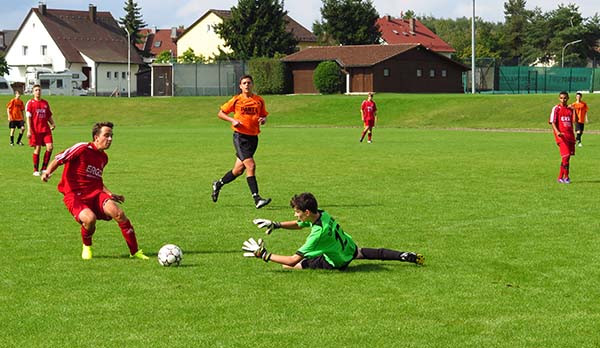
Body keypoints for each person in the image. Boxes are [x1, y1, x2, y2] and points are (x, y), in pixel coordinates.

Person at [41, 122, 149, 261]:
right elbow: (60, 158)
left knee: (119, 214)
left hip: (95, 193)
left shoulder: (104, 158)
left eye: (111, 136)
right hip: (74, 195)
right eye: (106, 135)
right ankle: (87, 246)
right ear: (96, 137)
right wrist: (47, 172)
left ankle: (135, 252)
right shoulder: (82, 148)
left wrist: (109, 194)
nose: (110, 139)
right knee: (89, 219)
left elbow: (97, 180)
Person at [243, 192, 424, 270]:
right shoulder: (322, 215)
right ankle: (404, 255)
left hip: (336, 262)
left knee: (287, 266)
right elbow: (300, 224)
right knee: (375, 253)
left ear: (306, 212)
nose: (295, 214)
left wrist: (264, 254)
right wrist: (276, 224)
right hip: (349, 249)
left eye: (297, 211)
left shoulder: (318, 235)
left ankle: (334, 262)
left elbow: (291, 260)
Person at [211, 75, 271, 209]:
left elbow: (263, 115)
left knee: (238, 170)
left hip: (253, 138)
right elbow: (221, 113)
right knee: (251, 166)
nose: (247, 85)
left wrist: (263, 120)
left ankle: (218, 184)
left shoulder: (259, 100)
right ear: (240, 86)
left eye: (249, 83)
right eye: (244, 83)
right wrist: (232, 120)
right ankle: (257, 198)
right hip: (240, 137)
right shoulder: (236, 100)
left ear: (252, 85)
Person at [26, 84, 56, 176]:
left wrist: (53, 123)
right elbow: (28, 117)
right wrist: (29, 130)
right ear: (33, 92)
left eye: (39, 90)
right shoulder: (30, 103)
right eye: (36, 90)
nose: (38, 92)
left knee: (50, 147)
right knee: (37, 149)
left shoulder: (45, 103)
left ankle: (44, 168)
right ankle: (35, 170)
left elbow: (48, 115)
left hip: (45, 129)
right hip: (35, 130)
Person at [549, 91, 576, 184]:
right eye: (561, 98)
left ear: (568, 98)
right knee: (566, 155)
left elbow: (575, 121)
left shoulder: (570, 109)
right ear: (559, 98)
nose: (563, 100)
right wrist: (557, 132)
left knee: (566, 158)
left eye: (565, 98)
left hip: (570, 136)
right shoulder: (556, 108)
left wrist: (574, 110)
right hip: (561, 136)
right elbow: (552, 121)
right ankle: (567, 177)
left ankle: (560, 177)